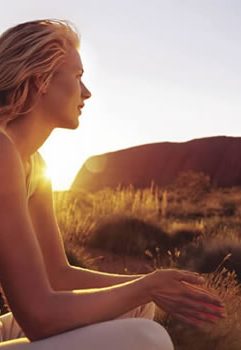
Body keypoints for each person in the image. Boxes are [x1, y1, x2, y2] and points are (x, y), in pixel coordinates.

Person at [0, 20, 224, 348]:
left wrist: (153, 285)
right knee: (147, 339)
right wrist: (148, 286)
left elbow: (57, 276)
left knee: (137, 306)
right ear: (41, 80)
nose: (87, 92)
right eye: (77, 77)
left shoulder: (34, 165)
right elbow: (39, 318)